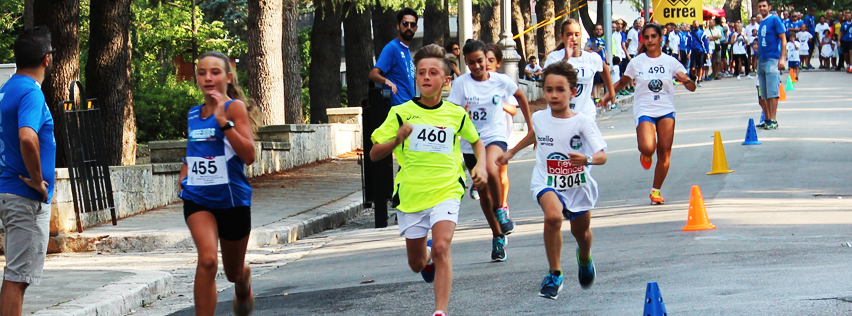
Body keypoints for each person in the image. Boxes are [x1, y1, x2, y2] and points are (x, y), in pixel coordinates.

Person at [370, 44, 486, 316]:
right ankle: (428, 256)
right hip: (411, 195)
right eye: (421, 72)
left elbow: (476, 142)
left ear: (446, 81)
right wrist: (397, 140)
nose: (425, 77)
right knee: (416, 263)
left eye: (433, 72)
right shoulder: (401, 113)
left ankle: (440, 311)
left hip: (447, 188)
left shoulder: (456, 114)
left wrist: (479, 164)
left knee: (443, 246)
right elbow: (375, 153)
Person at [496, 61, 607, 300]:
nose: (554, 95)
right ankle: (555, 273)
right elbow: (535, 134)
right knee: (553, 217)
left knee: (582, 234)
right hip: (547, 180)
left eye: (560, 89)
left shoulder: (583, 122)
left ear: (573, 92)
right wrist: (511, 152)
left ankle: (585, 257)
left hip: (578, 185)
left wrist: (586, 159)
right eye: (549, 90)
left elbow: (602, 155)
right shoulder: (539, 118)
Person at [179, 51, 258, 316]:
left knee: (233, 272)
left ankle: (243, 279)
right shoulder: (193, 113)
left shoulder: (234, 108)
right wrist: (184, 174)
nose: (208, 78)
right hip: (198, 198)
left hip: (232, 200)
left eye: (215, 72)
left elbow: (249, 155)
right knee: (209, 260)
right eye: (202, 73)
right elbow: (194, 151)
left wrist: (224, 124)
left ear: (228, 76)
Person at [449, 40, 532, 262]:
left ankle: (502, 211)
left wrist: (531, 127)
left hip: (495, 137)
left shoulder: (500, 81)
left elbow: (521, 98)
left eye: (480, 61)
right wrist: (461, 113)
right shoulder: (461, 85)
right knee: (484, 195)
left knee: (491, 167)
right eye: (471, 63)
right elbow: (453, 113)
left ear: (487, 58)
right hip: (470, 143)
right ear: (465, 63)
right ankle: (497, 236)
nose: (477, 66)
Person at [0, 26, 56, 316]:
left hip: (8, 190)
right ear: (47, 59)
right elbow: (27, 136)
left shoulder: (6, 89)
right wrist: (37, 180)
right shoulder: (31, 93)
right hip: (24, 197)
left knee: (16, 276)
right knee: (17, 278)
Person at [612, 23, 697, 205]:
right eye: (647, 37)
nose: (650, 40)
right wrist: (607, 96)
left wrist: (686, 80)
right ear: (643, 39)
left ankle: (655, 191)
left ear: (660, 39)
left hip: (666, 109)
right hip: (645, 109)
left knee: (665, 151)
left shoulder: (670, 62)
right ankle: (646, 154)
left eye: (654, 36)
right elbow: (623, 82)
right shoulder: (636, 62)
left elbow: (691, 87)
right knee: (648, 147)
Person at [484, 43, 529, 235]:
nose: (486, 64)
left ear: (498, 63)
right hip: (480, 138)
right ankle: (490, 200)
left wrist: (499, 104)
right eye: (483, 60)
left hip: (502, 133)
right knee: (488, 173)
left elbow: (513, 108)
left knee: (501, 174)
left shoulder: (502, 83)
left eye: (491, 60)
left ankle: (502, 204)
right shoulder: (473, 84)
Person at [545, 19, 616, 121]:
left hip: (586, 114)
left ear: (581, 36)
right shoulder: (555, 57)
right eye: (569, 35)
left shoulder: (591, 58)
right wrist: (566, 58)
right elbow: (551, 80)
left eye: (577, 34)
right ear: (562, 37)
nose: (573, 38)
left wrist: (611, 92)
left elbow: (603, 66)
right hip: (560, 114)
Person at [369, 8, 418, 106]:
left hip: (410, 106)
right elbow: (373, 74)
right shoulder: (392, 48)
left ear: (416, 28)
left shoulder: (406, 49)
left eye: (412, 25)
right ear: (398, 26)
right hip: (398, 107)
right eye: (405, 23)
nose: (409, 27)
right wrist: (386, 81)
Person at [755, 0, 787, 131]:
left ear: (769, 7)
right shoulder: (761, 22)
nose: (762, 8)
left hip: (772, 60)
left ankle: (773, 120)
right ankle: (767, 119)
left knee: (772, 91)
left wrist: (782, 58)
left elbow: (783, 39)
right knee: (763, 93)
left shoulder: (775, 20)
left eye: (764, 6)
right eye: (759, 6)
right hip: (761, 60)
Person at [688, 20, 711, 86]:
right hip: (693, 52)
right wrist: (688, 52)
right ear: (693, 25)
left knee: (700, 66)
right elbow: (689, 44)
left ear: (699, 24)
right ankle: (695, 77)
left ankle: (699, 80)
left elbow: (706, 43)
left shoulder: (702, 33)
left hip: (701, 52)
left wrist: (708, 52)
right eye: (694, 24)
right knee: (693, 68)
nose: (696, 25)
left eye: (697, 24)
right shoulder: (690, 34)